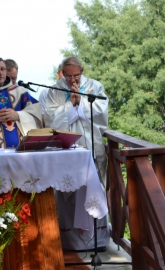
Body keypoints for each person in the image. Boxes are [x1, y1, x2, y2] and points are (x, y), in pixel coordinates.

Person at [45, 56, 110, 251]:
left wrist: (81, 103)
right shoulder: (55, 91)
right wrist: (70, 106)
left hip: (90, 145)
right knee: (67, 191)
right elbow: (50, 117)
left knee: (93, 188)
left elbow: (102, 111)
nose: (73, 80)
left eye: (76, 75)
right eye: (68, 76)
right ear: (62, 73)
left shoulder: (94, 87)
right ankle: (70, 241)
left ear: (82, 70)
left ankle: (96, 239)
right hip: (65, 148)